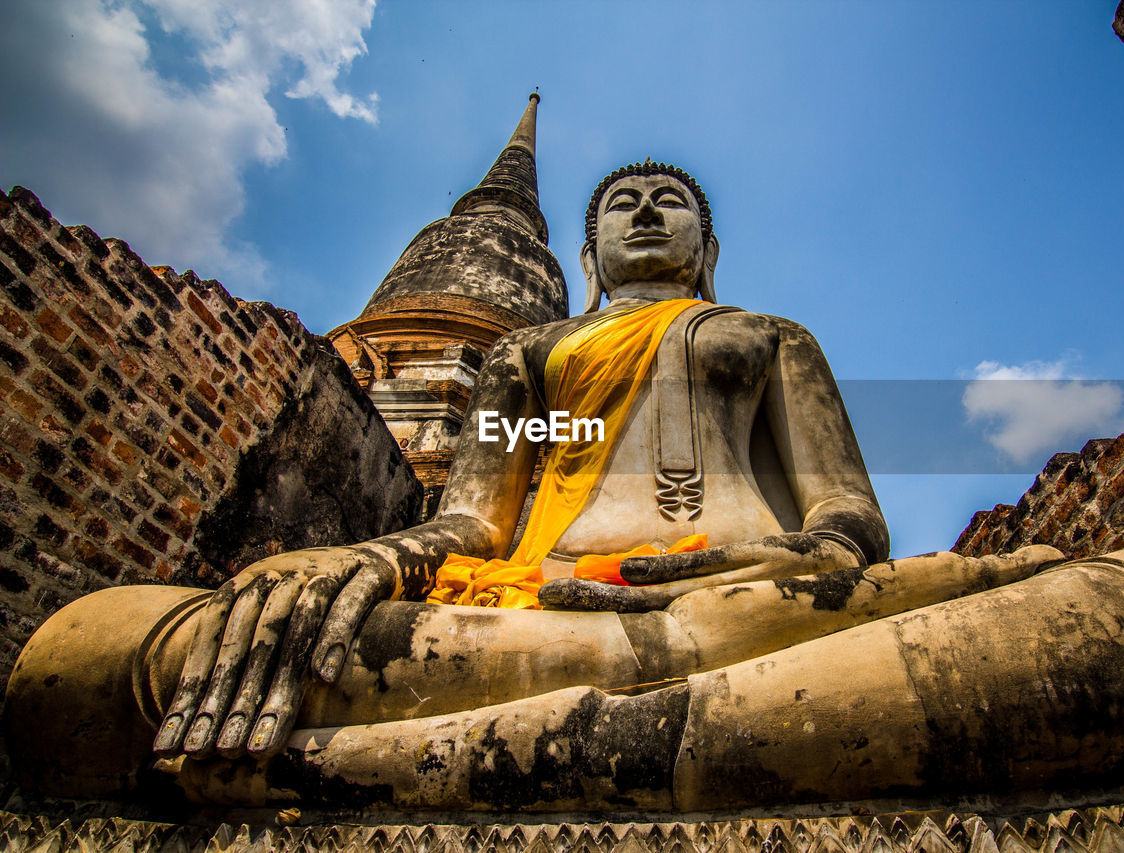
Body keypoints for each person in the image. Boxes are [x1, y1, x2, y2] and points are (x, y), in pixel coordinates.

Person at [150, 160, 892, 761]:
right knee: (166, 645)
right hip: (546, 614)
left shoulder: (772, 335)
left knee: (995, 635)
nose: (643, 213)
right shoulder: (528, 352)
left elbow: (846, 513)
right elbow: (473, 517)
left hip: (757, 607)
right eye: (622, 204)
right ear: (587, 257)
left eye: (668, 202)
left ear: (709, 252)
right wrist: (371, 558)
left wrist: (810, 556)